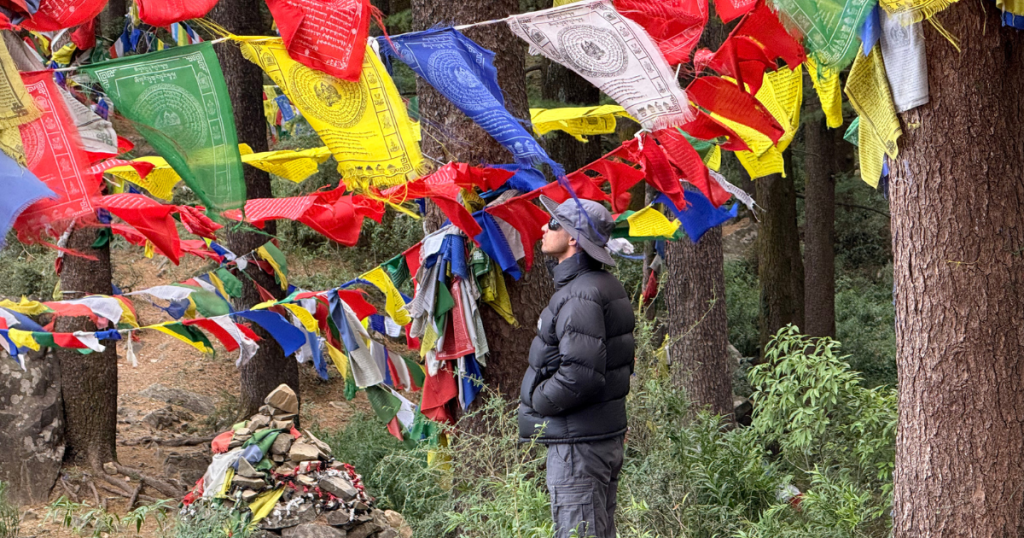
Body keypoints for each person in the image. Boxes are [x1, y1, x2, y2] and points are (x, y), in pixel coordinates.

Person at [518, 195, 636, 538]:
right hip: (596, 438)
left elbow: (582, 375)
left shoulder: (580, 295)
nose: (543, 227)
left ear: (573, 237)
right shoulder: (600, 287)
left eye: (553, 223)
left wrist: (538, 401)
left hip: (579, 447)